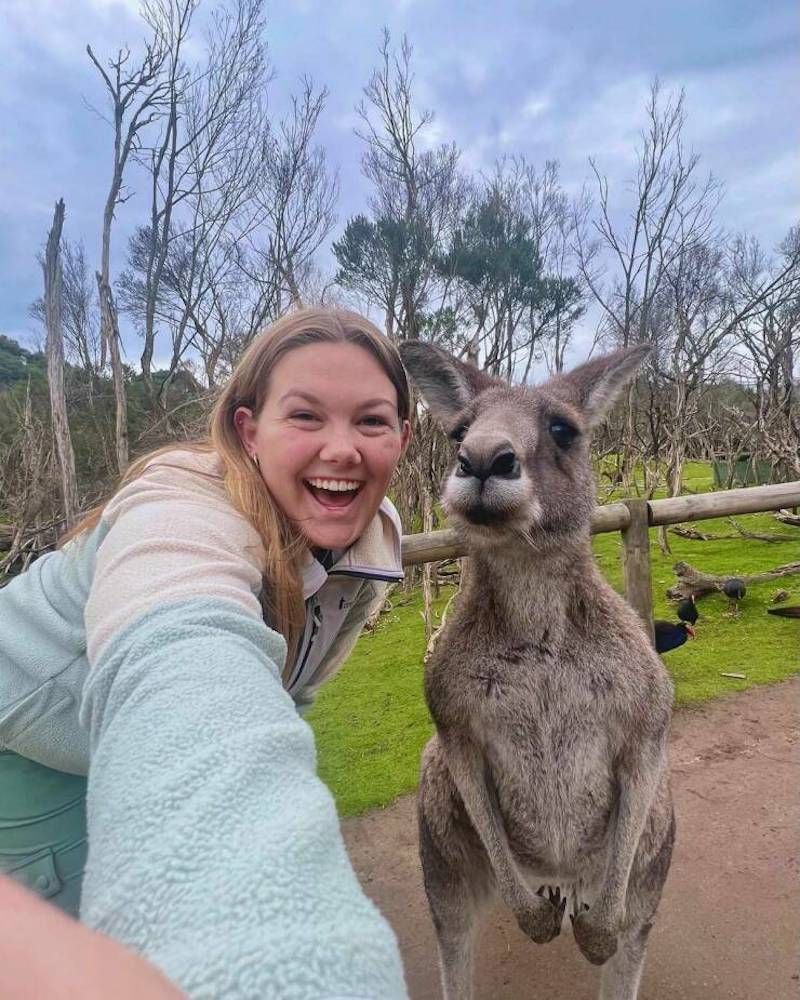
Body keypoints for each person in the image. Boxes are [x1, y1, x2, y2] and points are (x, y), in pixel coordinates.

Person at [0, 308, 411, 999]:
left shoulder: (372, 537)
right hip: (28, 760)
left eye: (371, 421)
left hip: (124, 749)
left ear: (402, 436)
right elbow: (180, 662)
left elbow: (292, 688)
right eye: (306, 416)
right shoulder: (180, 509)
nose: (343, 450)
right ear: (249, 432)